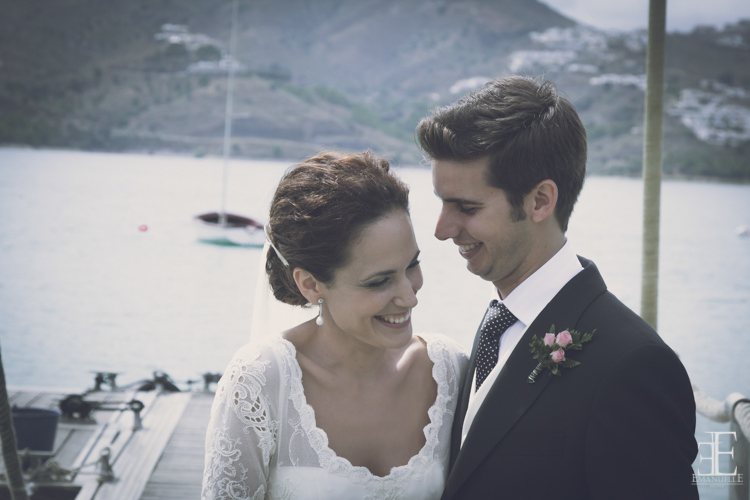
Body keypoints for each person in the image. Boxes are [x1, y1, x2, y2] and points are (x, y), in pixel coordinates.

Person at [416, 76, 699, 499]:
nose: (442, 230)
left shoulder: (634, 367)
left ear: (540, 201)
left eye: (466, 207)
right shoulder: (499, 321)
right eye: (442, 201)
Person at [202, 151, 469, 500]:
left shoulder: (449, 370)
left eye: (412, 265)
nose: (409, 296)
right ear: (311, 285)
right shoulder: (259, 382)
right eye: (379, 281)